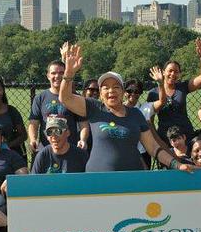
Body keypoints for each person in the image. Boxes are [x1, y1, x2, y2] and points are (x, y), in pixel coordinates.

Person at [58, 44, 194, 173]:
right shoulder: (94, 108)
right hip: (98, 180)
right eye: (106, 87)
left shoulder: (135, 114)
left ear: (123, 92)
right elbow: (65, 98)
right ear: (100, 93)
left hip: (131, 180)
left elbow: (153, 147)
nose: (111, 91)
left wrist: (177, 164)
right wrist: (69, 73)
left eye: (116, 87)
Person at [148, 38, 201, 143]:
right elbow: (150, 120)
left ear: (179, 74)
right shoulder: (153, 93)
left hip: (185, 135)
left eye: (176, 72)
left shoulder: (182, 87)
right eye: (170, 71)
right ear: (163, 72)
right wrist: (156, 139)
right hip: (165, 137)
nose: (173, 74)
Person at [28, 60, 89, 154]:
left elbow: (83, 124)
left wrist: (83, 139)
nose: (57, 76)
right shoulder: (40, 98)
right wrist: (33, 139)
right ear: (48, 76)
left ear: (66, 75)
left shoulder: (74, 98)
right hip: (46, 149)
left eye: (61, 73)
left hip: (70, 149)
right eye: (53, 73)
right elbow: (33, 123)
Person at [124, 77, 166, 169]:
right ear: (124, 92)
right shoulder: (119, 109)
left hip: (143, 152)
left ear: (140, 93)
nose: (133, 94)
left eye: (136, 91)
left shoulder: (146, 108)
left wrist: (160, 84)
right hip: (124, 152)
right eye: (129, 91)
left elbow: (162, 102)